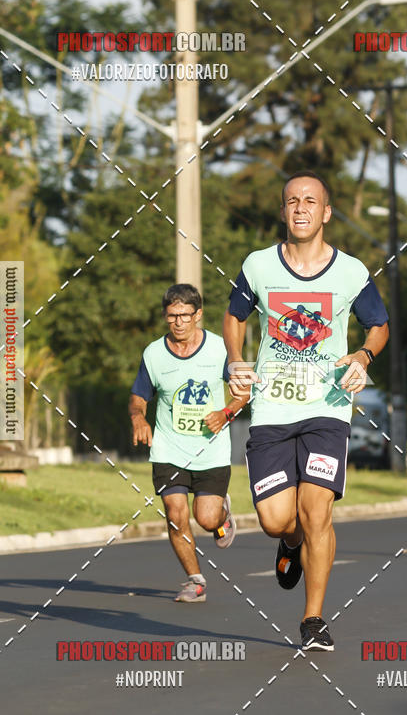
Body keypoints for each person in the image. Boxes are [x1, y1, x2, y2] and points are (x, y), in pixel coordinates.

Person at [223, 171, 389, 650]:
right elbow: (234, 315)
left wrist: (362, 355)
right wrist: (236, 358)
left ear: (326, 212)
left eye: (310, 201)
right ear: (283, 211)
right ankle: (289, 544)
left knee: (316, 510)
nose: (300, 208)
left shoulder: (351, 272)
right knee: (279, 519)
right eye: (292, 200)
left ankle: (313, 619)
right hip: (273, 405)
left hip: (329, 405)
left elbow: (378, 325)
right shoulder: (258, 265)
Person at [129, 284, 247, 602]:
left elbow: (243, 393)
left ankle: (222, 513)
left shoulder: (221, 349)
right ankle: (195, 580)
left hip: (211, 449)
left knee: (205, 518)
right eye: (172, 316)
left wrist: (225, 413)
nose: (178, 322)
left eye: (184, 315)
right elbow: (139, 396)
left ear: (198, 315)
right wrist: (139, 418)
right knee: (174, 511)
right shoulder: (154, 354)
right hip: (169, 448)